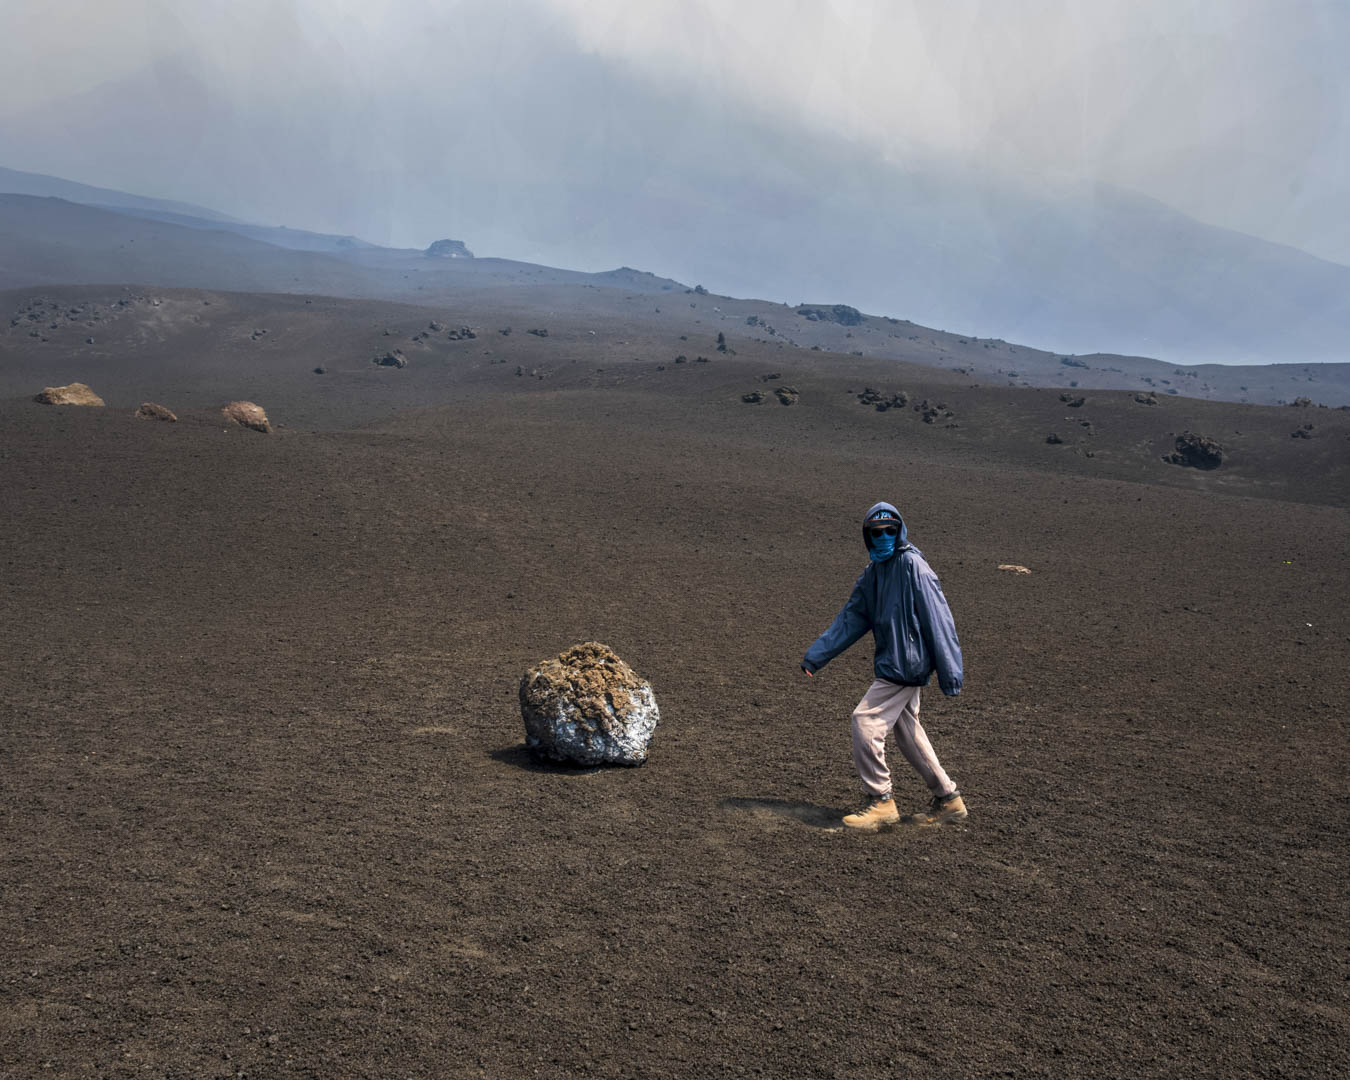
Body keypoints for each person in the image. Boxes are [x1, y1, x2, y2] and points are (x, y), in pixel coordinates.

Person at [801, 501, 967, 830]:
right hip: (898, 661)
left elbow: (940, 620)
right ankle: (949, 799)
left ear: (900, 530)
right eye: (876, 533)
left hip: (905, 664)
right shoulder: (874, 574)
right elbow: (852, 617)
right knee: (908, 734)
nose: (883, 537)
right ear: (868, 536)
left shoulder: (913, 566)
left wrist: (951, 674)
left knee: (864, 721)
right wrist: (817, 655)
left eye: (890, 531)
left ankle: (881, 800)